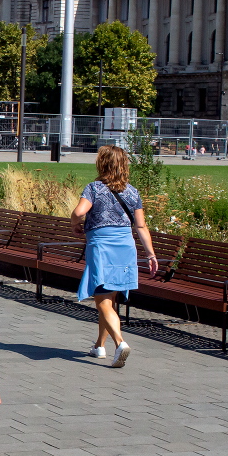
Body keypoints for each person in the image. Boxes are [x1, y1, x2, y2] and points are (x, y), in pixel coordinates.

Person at [71, 145, 158, 368]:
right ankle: (100, 346)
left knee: (101, 299)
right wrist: (150, 254)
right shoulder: (132, 192)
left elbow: (79, 212)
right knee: (108, 299)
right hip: (125, 247)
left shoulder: (94, 188)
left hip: (102, 247)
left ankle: (120, 343)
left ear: (102, 164)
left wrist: (75, 224)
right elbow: (141, 226)